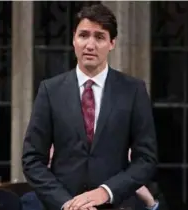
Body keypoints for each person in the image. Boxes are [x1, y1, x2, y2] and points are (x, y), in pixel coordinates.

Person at [21, 4, 157, 210]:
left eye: (99, 37)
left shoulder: (133, 90)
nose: (90, 45)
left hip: (117, 205)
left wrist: (106, 191)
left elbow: (146, 159)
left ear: (112, 43)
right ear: (73, 39)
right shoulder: (50, 90)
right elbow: (32, 159)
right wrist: (66, 204)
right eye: (83, 35)